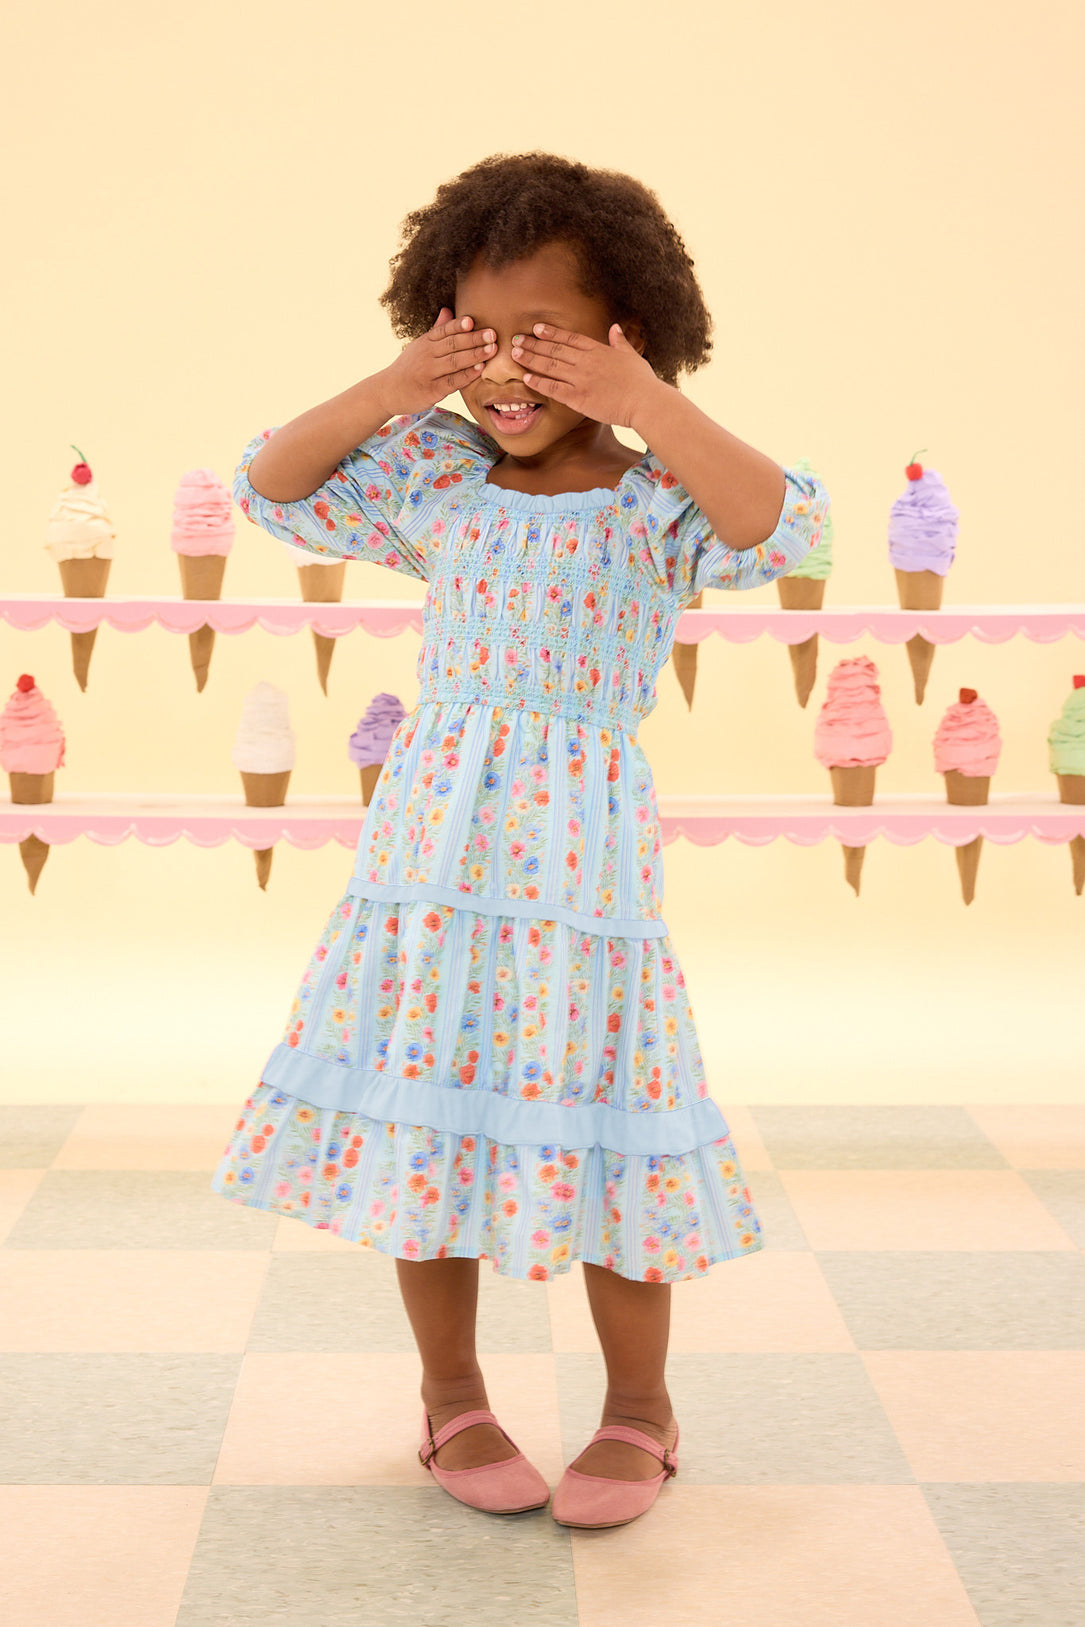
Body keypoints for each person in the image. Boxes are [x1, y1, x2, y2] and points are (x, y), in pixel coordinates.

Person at [211, 150, 827, 1529]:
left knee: (613, 1124)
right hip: (431, 871)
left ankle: (640, 1410)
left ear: (629, 341)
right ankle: (449, 1397)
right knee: (428, 1123)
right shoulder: (434, 477)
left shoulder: (657, 498)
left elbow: (784, 527)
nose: (504, 380)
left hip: (585, 881)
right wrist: (393, 388)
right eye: (476, 342)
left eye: (543, 348)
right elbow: (271, 483)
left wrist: (651, 409)